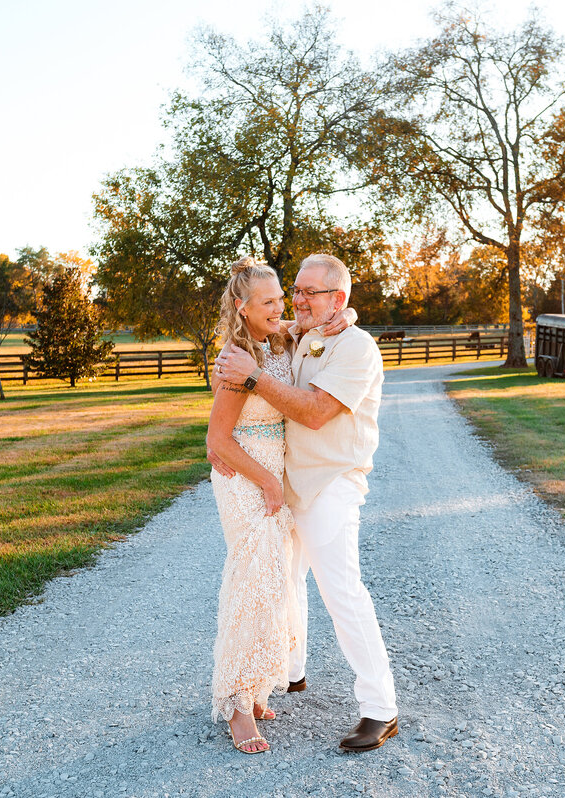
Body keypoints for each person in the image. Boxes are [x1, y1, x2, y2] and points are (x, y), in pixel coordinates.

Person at [212, 253, 399, 753]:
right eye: (293, 291)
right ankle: (289, 671)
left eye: (308, 293)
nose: (295, 302)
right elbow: (268, 325)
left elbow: (316, 412)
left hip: (329, 484)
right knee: (283, 579)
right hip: (286, 480)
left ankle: (380, 709)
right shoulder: (301, 335)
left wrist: (253, 377)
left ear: (338, 299)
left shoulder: (356, 349)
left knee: (341, 590)